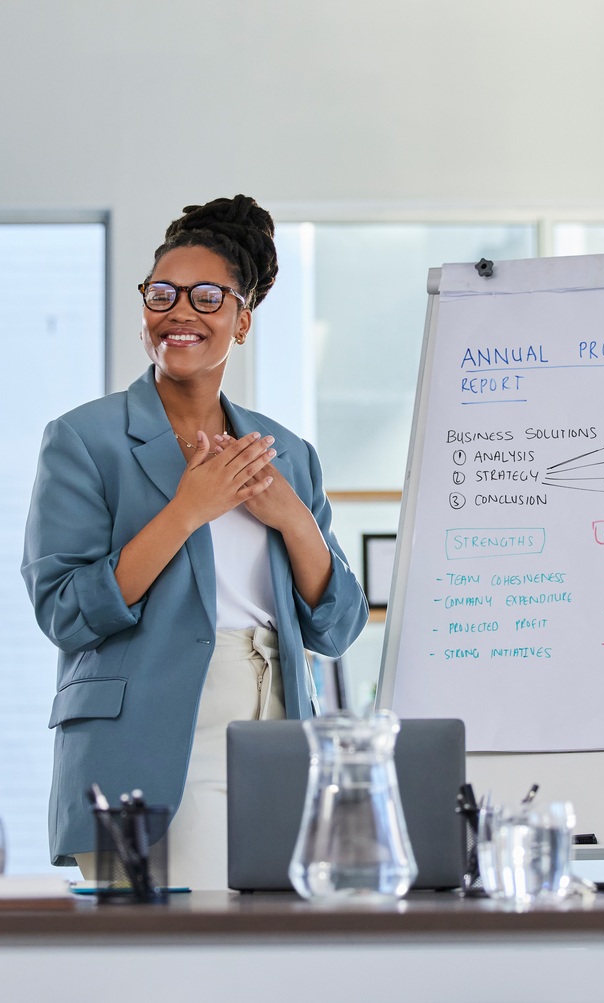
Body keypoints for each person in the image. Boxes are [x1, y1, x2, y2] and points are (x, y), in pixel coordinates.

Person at [24, 195, 368, 888]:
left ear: (242, 320)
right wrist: (186, 510)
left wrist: (294, 519)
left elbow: (338, 625)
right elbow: (64, 610)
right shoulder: (84, 439)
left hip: (280, 727)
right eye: (163, 293)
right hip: (155, 734)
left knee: (273, 960)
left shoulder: (286, 453)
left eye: (207, 296)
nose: (180, 311)